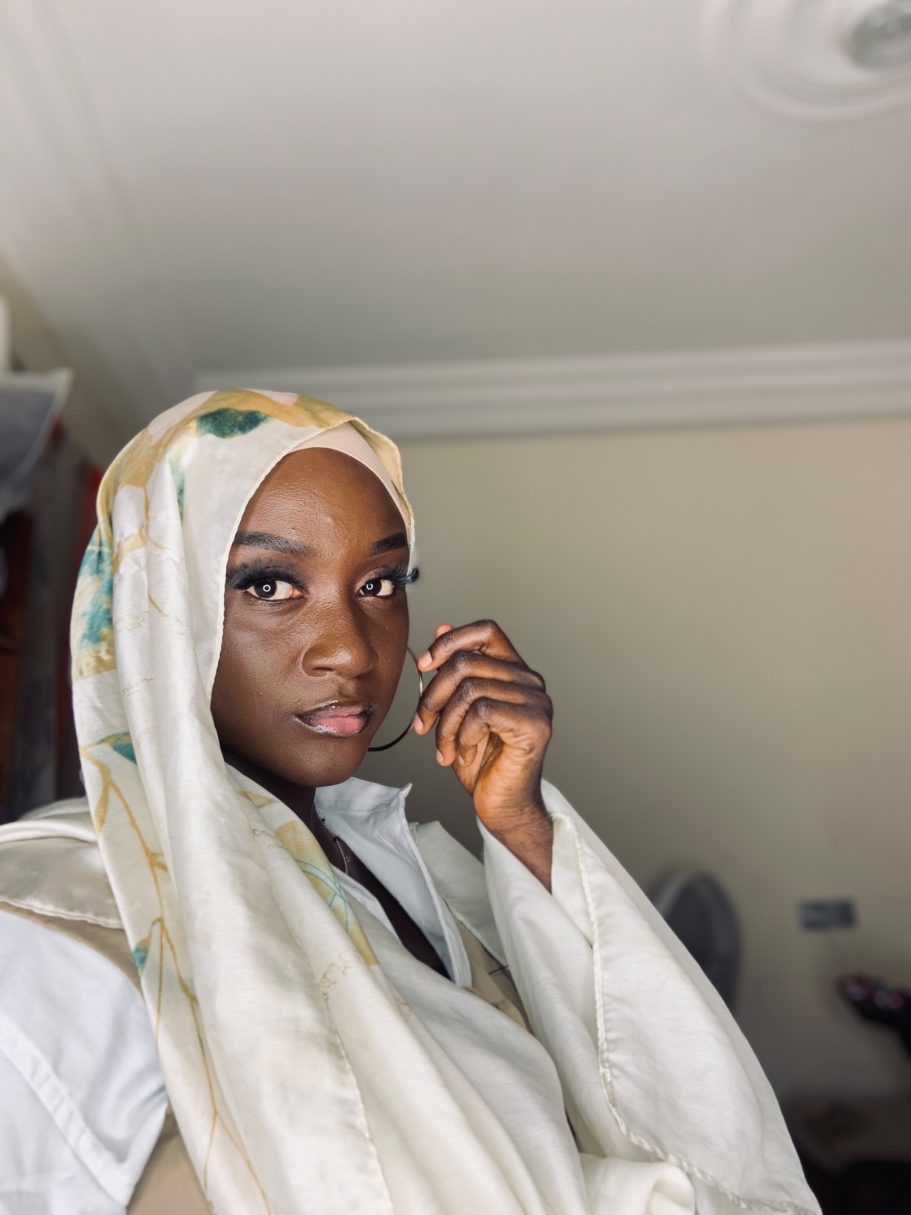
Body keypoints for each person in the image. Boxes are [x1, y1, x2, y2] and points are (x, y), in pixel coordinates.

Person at [0, 390, 819, 1215]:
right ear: (153, 607)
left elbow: (643, 1109)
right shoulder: (59, 915)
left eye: (379, 582)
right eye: (270, 584)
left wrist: (519, 822)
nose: (350, 649)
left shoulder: (418, 874)